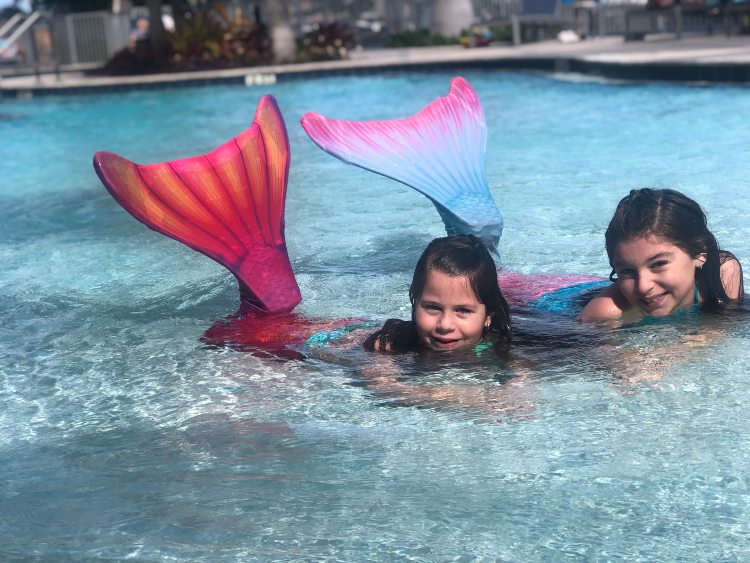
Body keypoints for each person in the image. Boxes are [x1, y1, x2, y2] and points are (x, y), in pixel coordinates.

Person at [580, 188, 744, 323]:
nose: (643, 287)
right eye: (627, 271)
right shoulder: (603, 314)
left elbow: (721, 330)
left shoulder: (724, 272)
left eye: (658, 264)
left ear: (699, 253)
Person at [363, 234, 512, 354]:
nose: (445, 325)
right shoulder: (392, 342)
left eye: (463, 310)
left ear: (488, 316)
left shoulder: (506, 350)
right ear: (416, 300)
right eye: (433, 307)